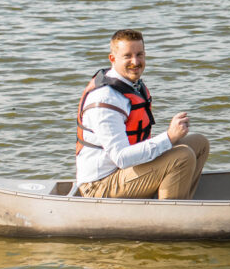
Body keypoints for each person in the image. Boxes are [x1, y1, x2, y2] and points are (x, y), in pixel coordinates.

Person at [75, 29, 210, 199]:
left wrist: (170, 140)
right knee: (182, 157)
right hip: (99, 185)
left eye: (140, 55)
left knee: (199, 143)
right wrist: (169, 137)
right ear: (112, 59)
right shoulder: (106, 100)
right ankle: (168, 220)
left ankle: (180, 202)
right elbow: (122, 158)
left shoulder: (132, 85)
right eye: (128, 56)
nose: (135, 62)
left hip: (125, 173)